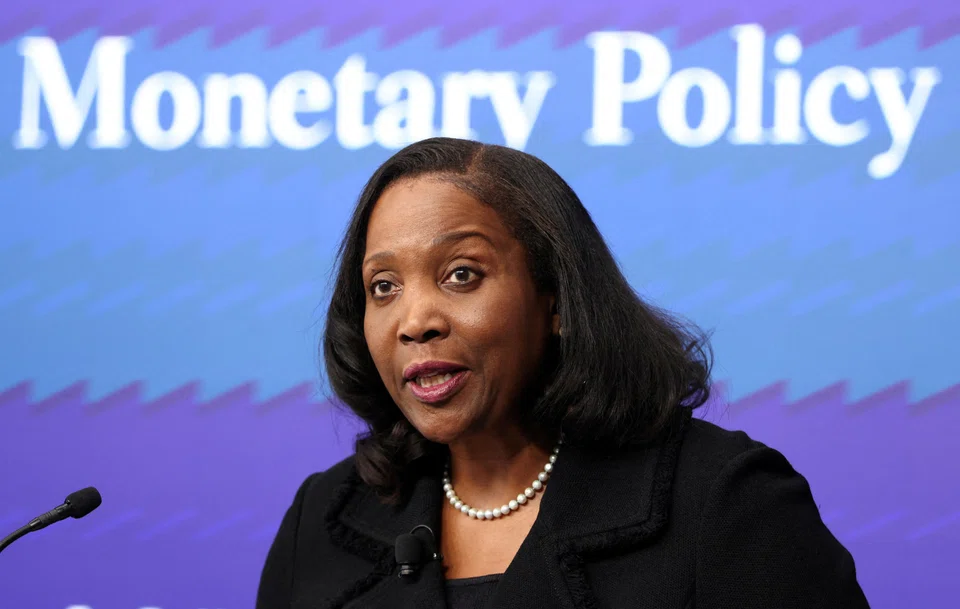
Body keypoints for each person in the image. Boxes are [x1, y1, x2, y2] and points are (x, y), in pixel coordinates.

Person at [255, 137, 869, 609]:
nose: (414, 321)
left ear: (555, 300)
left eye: (461, 274)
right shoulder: (323, 517)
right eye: (383, 287)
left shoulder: (727, 502)